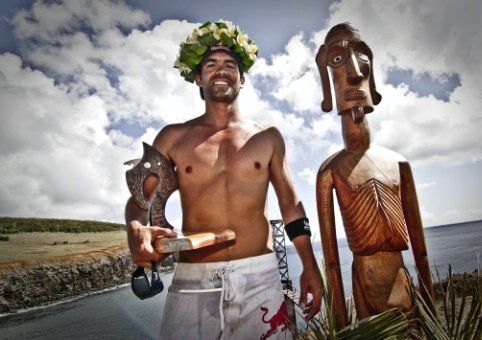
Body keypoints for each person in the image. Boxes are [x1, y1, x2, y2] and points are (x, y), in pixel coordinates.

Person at [125, 20, 323, 339]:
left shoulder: (269, 138)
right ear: (197, 77)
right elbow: (140, 201)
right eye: (211, 64)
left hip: (261, 277)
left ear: (242, 79)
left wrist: (310, 267)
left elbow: (291, 206)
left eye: (230, 64)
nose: (221, 69)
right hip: (193, 280)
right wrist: (135, 229)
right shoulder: (173, 137)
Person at [315, 23, 434, 328]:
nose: (354, 72)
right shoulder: (330, 171)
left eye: (362, 58)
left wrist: (432, 318)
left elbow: (420, 251)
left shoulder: (399, 164)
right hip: (367, 295)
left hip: (405, 290)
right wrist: (342, 328)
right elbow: (331, 264)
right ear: (326, 75)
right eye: (338, 60)